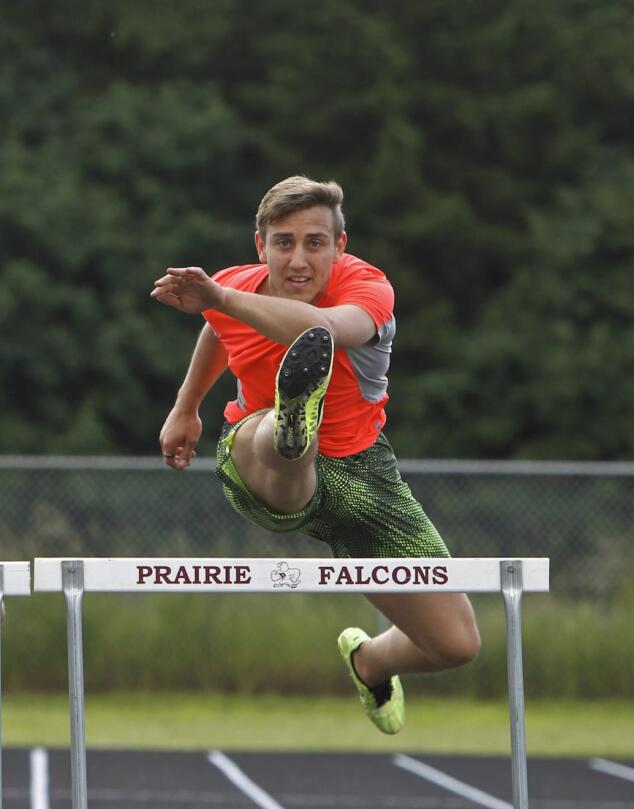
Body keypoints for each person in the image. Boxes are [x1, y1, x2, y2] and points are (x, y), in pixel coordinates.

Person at [151, 176, 480, 734]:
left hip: (363, 470)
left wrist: (221, 298)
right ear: (261, 247)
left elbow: (325, 329)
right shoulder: (234, 285)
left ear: (340, 246)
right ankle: (292, 428)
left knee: (456, 643)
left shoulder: (368, 289)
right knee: (275, 446)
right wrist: (186, 407)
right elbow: (217, 328)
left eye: (314, 243)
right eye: (283, 243)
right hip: (256, 459)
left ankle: (370, 661)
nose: (298, 260)